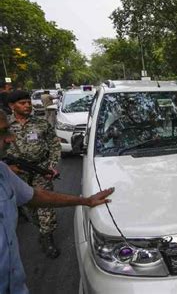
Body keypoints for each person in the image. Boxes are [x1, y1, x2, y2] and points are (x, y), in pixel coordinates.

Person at [0, 108, 114, 294]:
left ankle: (47, 235)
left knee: (44, 215)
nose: (9, 139)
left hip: (15, 285)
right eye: (1, 132)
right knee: (32, 215)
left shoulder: (3, 174)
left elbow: (35, 196)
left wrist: (85, 201)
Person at [6, 90, 62, 258]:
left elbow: (54, 144)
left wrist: (51, 166)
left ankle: (47, 237)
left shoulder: (41, 123)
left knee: (45, 205)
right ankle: (41, 229)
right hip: (17, 175)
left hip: (40, 171)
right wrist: (8, 169)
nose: (28, 105)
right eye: (22, 103)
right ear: (11, 106)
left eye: (28, 102)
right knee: (29, 207)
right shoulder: (5, 126)